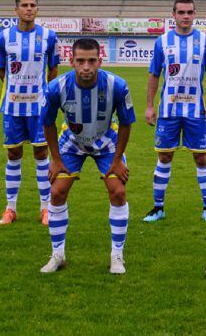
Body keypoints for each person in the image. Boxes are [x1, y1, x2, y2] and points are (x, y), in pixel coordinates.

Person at [39, 39, 134, 274]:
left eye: (92, 61)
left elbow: (126, 124)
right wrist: (56, 158)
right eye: (80, 61)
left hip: (107, 142)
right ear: (71, 61)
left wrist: (117, 160)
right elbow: (48, 123)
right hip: (71, 142)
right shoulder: (56, 88)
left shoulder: (117, 85)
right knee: (56, 192)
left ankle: (117, 256)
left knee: (118, 191)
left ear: (100, 61)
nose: (86, 67)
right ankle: (57, 254)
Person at [143, 0, 206, 223]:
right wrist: (149, 105)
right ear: (173, 15)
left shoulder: (205, 41)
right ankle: (158, 207)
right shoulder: (162, 41)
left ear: (194, 15)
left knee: (201, 157)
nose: (186, 16)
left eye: (190, 12)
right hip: (169, 110)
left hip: (196, 111)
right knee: (164, 156)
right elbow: (154, 74)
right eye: (181, 12)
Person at [0, 0, 60, 225]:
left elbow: (53, 70)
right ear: (16, 10)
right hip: (12, 106)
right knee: (13, 154)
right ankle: (10, 208)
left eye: (33, 5)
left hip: (38, 107)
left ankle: (45, 208)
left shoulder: (49, 37)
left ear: (37, 9)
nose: (29, 9)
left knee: (41, 154)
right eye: (24, 5)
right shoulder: (3, 37)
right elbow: (1, 70)